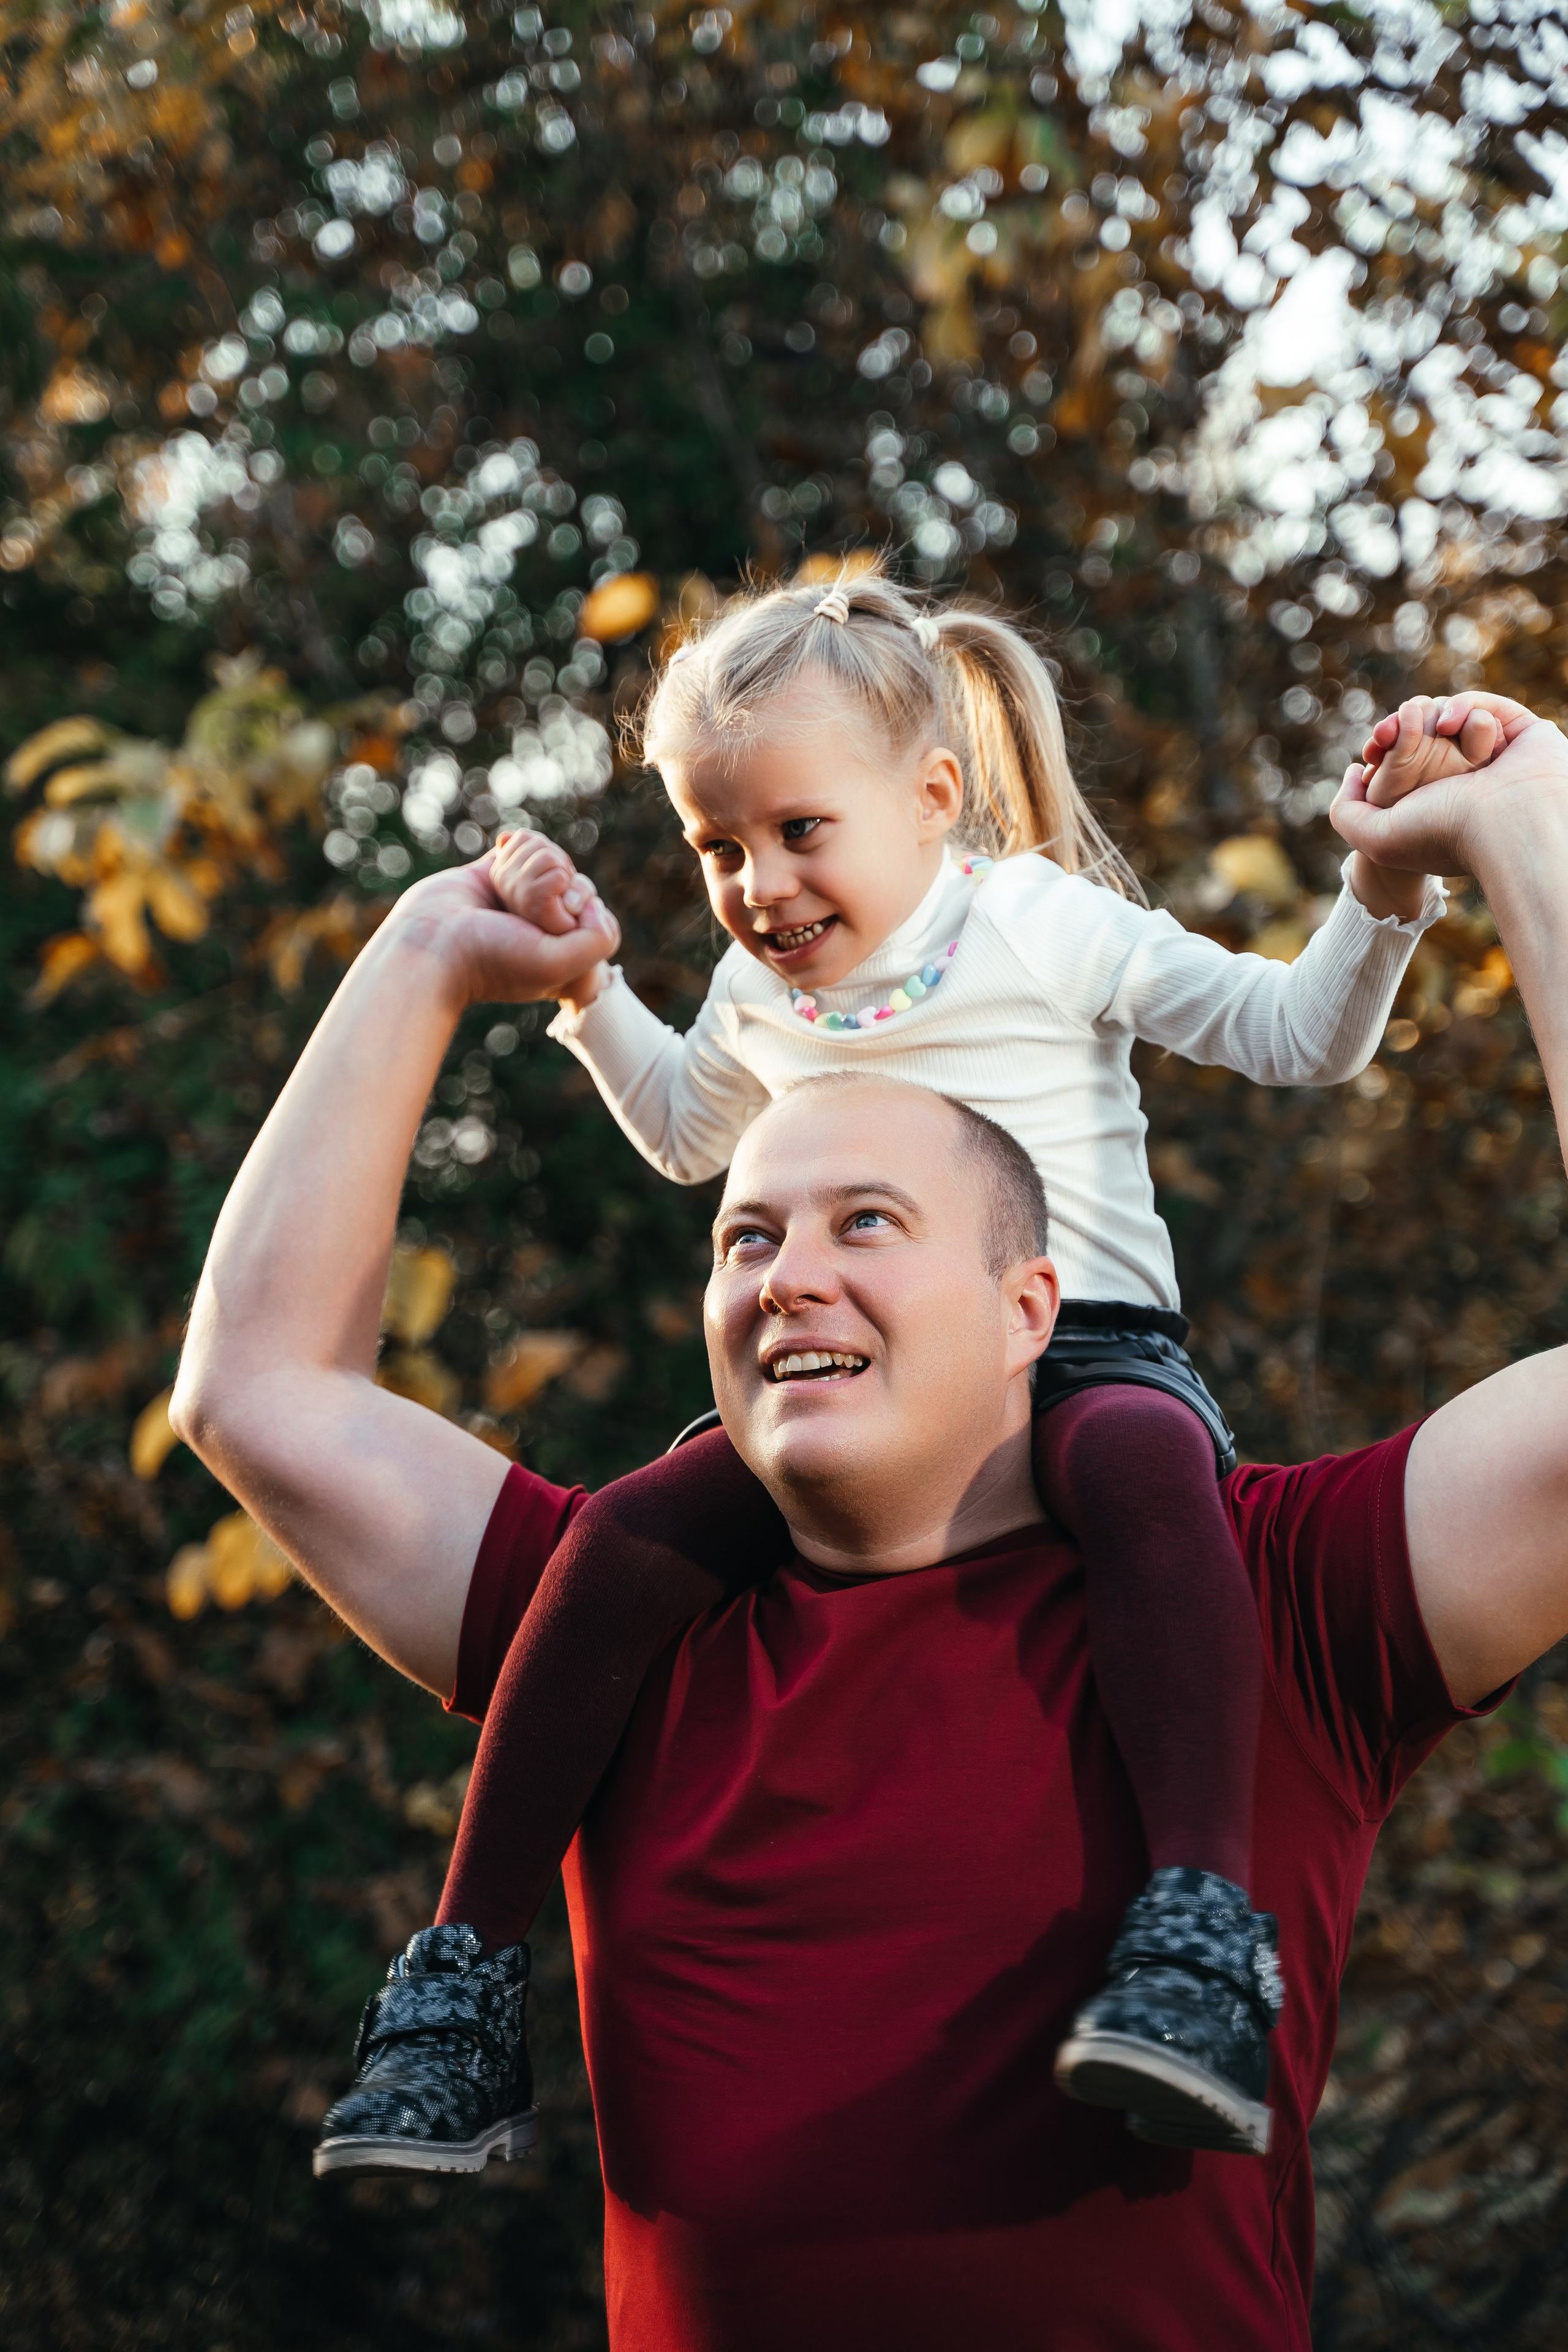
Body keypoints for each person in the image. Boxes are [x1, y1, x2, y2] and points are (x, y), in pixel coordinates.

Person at [315, 573, 1485, 2171]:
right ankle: (457, 1990)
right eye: (718, 848)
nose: (760, 884)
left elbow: (1299, 1037)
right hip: (847, 1381)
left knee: (1147, 1479)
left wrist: (1384, 894)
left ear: (933, 798)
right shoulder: (757, 992)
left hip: (1079, 1353)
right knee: (621, 1541)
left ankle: (1203, 1933)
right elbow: (684, 1137)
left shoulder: (1034, 920)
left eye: (801, 831)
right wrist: (591, 992)